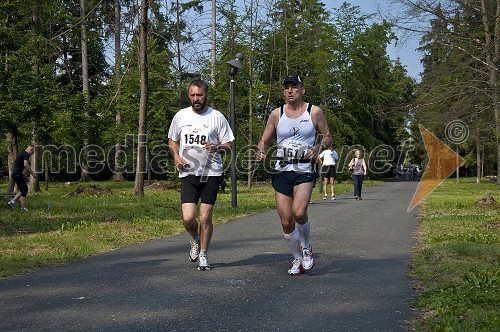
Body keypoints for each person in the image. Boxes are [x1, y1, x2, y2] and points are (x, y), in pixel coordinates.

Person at [256, 74, 332, 276]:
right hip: (282, 169)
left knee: (299, 212)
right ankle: (297, 258)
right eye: (286, 88)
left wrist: (319, 146)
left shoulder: (313, 112)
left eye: (294, 87)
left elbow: (328, 136)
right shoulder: (276, 114)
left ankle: (306, 247)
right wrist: (261, 150)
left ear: (302, 89)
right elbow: (264, 140)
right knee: (286, 221)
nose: (289, 91)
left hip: (304, 169)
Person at [168, 77, 234, 271]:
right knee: (188, 219)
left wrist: (218, 147)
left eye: (200, 95)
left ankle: (204, 255)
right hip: (188, 173)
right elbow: (172, 141)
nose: (196, 99)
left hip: (211, 173)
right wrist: (176, 158)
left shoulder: (217, 117)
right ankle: (196, 239)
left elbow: (229, 146)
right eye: (192, 95)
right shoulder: (181, 116)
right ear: (188, 96)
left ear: (206, 96)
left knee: (205, 218)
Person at [7, 144, 37, 211]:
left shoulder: (22, 153)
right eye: (33, 152)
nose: (32, 154)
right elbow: (25, 165)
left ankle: (12, 202)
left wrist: (23, 175)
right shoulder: (26, 154)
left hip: (16, 174)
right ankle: (23, 208)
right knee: (24, 190)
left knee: (23, 189)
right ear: (31, 149)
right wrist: (33, 173)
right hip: (17, 175)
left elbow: (20, 166)